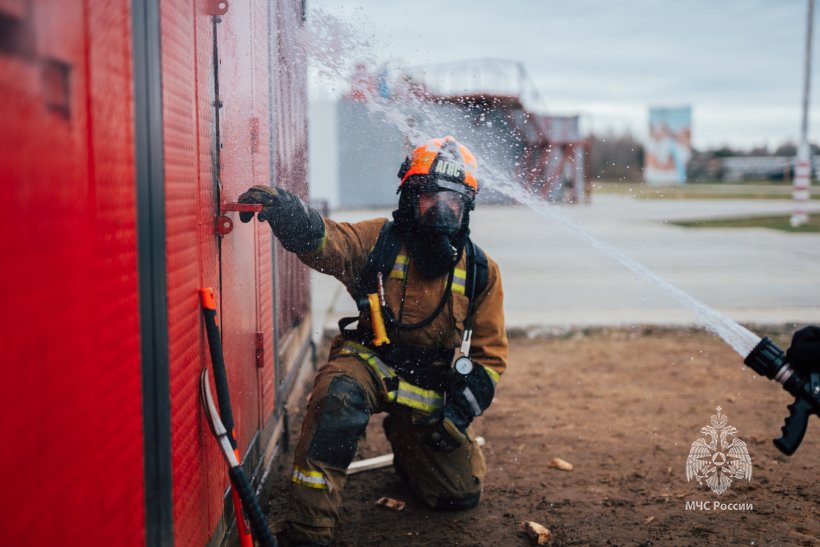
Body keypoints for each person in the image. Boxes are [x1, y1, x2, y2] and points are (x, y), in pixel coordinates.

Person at [238, 136, 508, 546]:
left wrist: (459, 406)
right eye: (430, 198)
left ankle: (411, 447)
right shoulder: (379, 241)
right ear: (409, 197)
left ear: (467, 207)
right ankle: (308, 531)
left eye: (452, 203)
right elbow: (329, 242)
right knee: (338, 397)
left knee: (458, 495)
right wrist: (288, 212)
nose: (441, 211)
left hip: (429, 386)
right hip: (369, 365)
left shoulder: (481, 272)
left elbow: (490, 356)